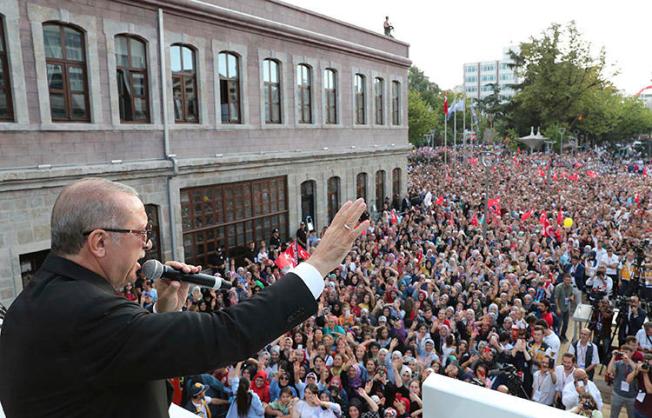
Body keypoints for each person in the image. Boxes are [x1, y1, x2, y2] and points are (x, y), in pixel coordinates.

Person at [0, 178, 370, 417]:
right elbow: (225, 334)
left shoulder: (36, 298)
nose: (147, 246)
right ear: (98, 241)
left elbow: (112, 364)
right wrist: (318, 263)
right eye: (140, 233)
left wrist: (163, 311)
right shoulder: (90, 314)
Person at [607, 345, 638, 418]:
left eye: (626, 352)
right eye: (623, 352)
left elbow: (636, 370)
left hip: (632, 396)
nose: (624, 354)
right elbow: (609, 371)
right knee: (613, 415)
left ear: (632, 353)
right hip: (618, 394)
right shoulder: (618, 363)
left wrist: (628, 360)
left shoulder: (635, 364)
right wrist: (613, 357)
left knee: (632, 416)